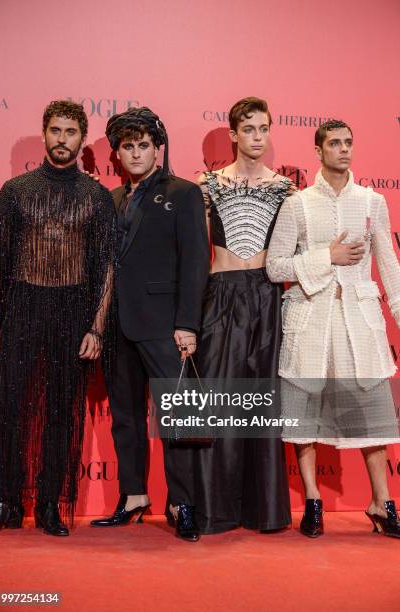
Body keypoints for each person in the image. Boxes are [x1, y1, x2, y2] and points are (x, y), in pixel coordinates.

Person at [266, 119, 400, 538]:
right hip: (310, 320)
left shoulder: (372, 202)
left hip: (359, 323)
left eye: (349, 142)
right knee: (303, 413)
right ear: (318, 151)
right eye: (334, 143)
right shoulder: (298, 204)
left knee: (373, 413)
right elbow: (275, 267)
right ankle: (312, 502)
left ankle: (382, 502)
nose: (344, 149)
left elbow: (389, 267)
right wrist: (328, 255)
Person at [0, 100, 116, 536]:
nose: (62, 139)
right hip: (22, 306)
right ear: (44, 133)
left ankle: (49, 503)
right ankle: (7, 501)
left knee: (62, 411)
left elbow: (105, 269)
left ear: (82, 140)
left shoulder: (97, 198)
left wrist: (96, 327)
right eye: (55, 131)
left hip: (72, 310)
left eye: (70, 132)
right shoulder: (14, 191)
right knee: (9, 407)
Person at [89, 107, 209, 541]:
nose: (135, 153)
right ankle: (134, 496)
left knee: (178, 419)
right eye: (127, 146)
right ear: (117, 153)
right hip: (119, 326)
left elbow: (196, 262)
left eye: (143, 145)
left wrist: (188, 324)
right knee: (125, 418)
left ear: (158, 149)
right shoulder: (113, 199)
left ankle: (182, 503)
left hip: (165, 326)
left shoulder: (185, 193)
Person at [193, 97, 292, 534]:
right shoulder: (207, 183)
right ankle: (216, 510)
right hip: (221, 293)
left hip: (268, 295)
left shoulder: (286, 188)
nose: (257, 137)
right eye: (249, 129)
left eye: (263, 128)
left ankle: (263, 511)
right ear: (233, 134)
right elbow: (192, 253)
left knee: (261, 402)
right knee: (219, 401)